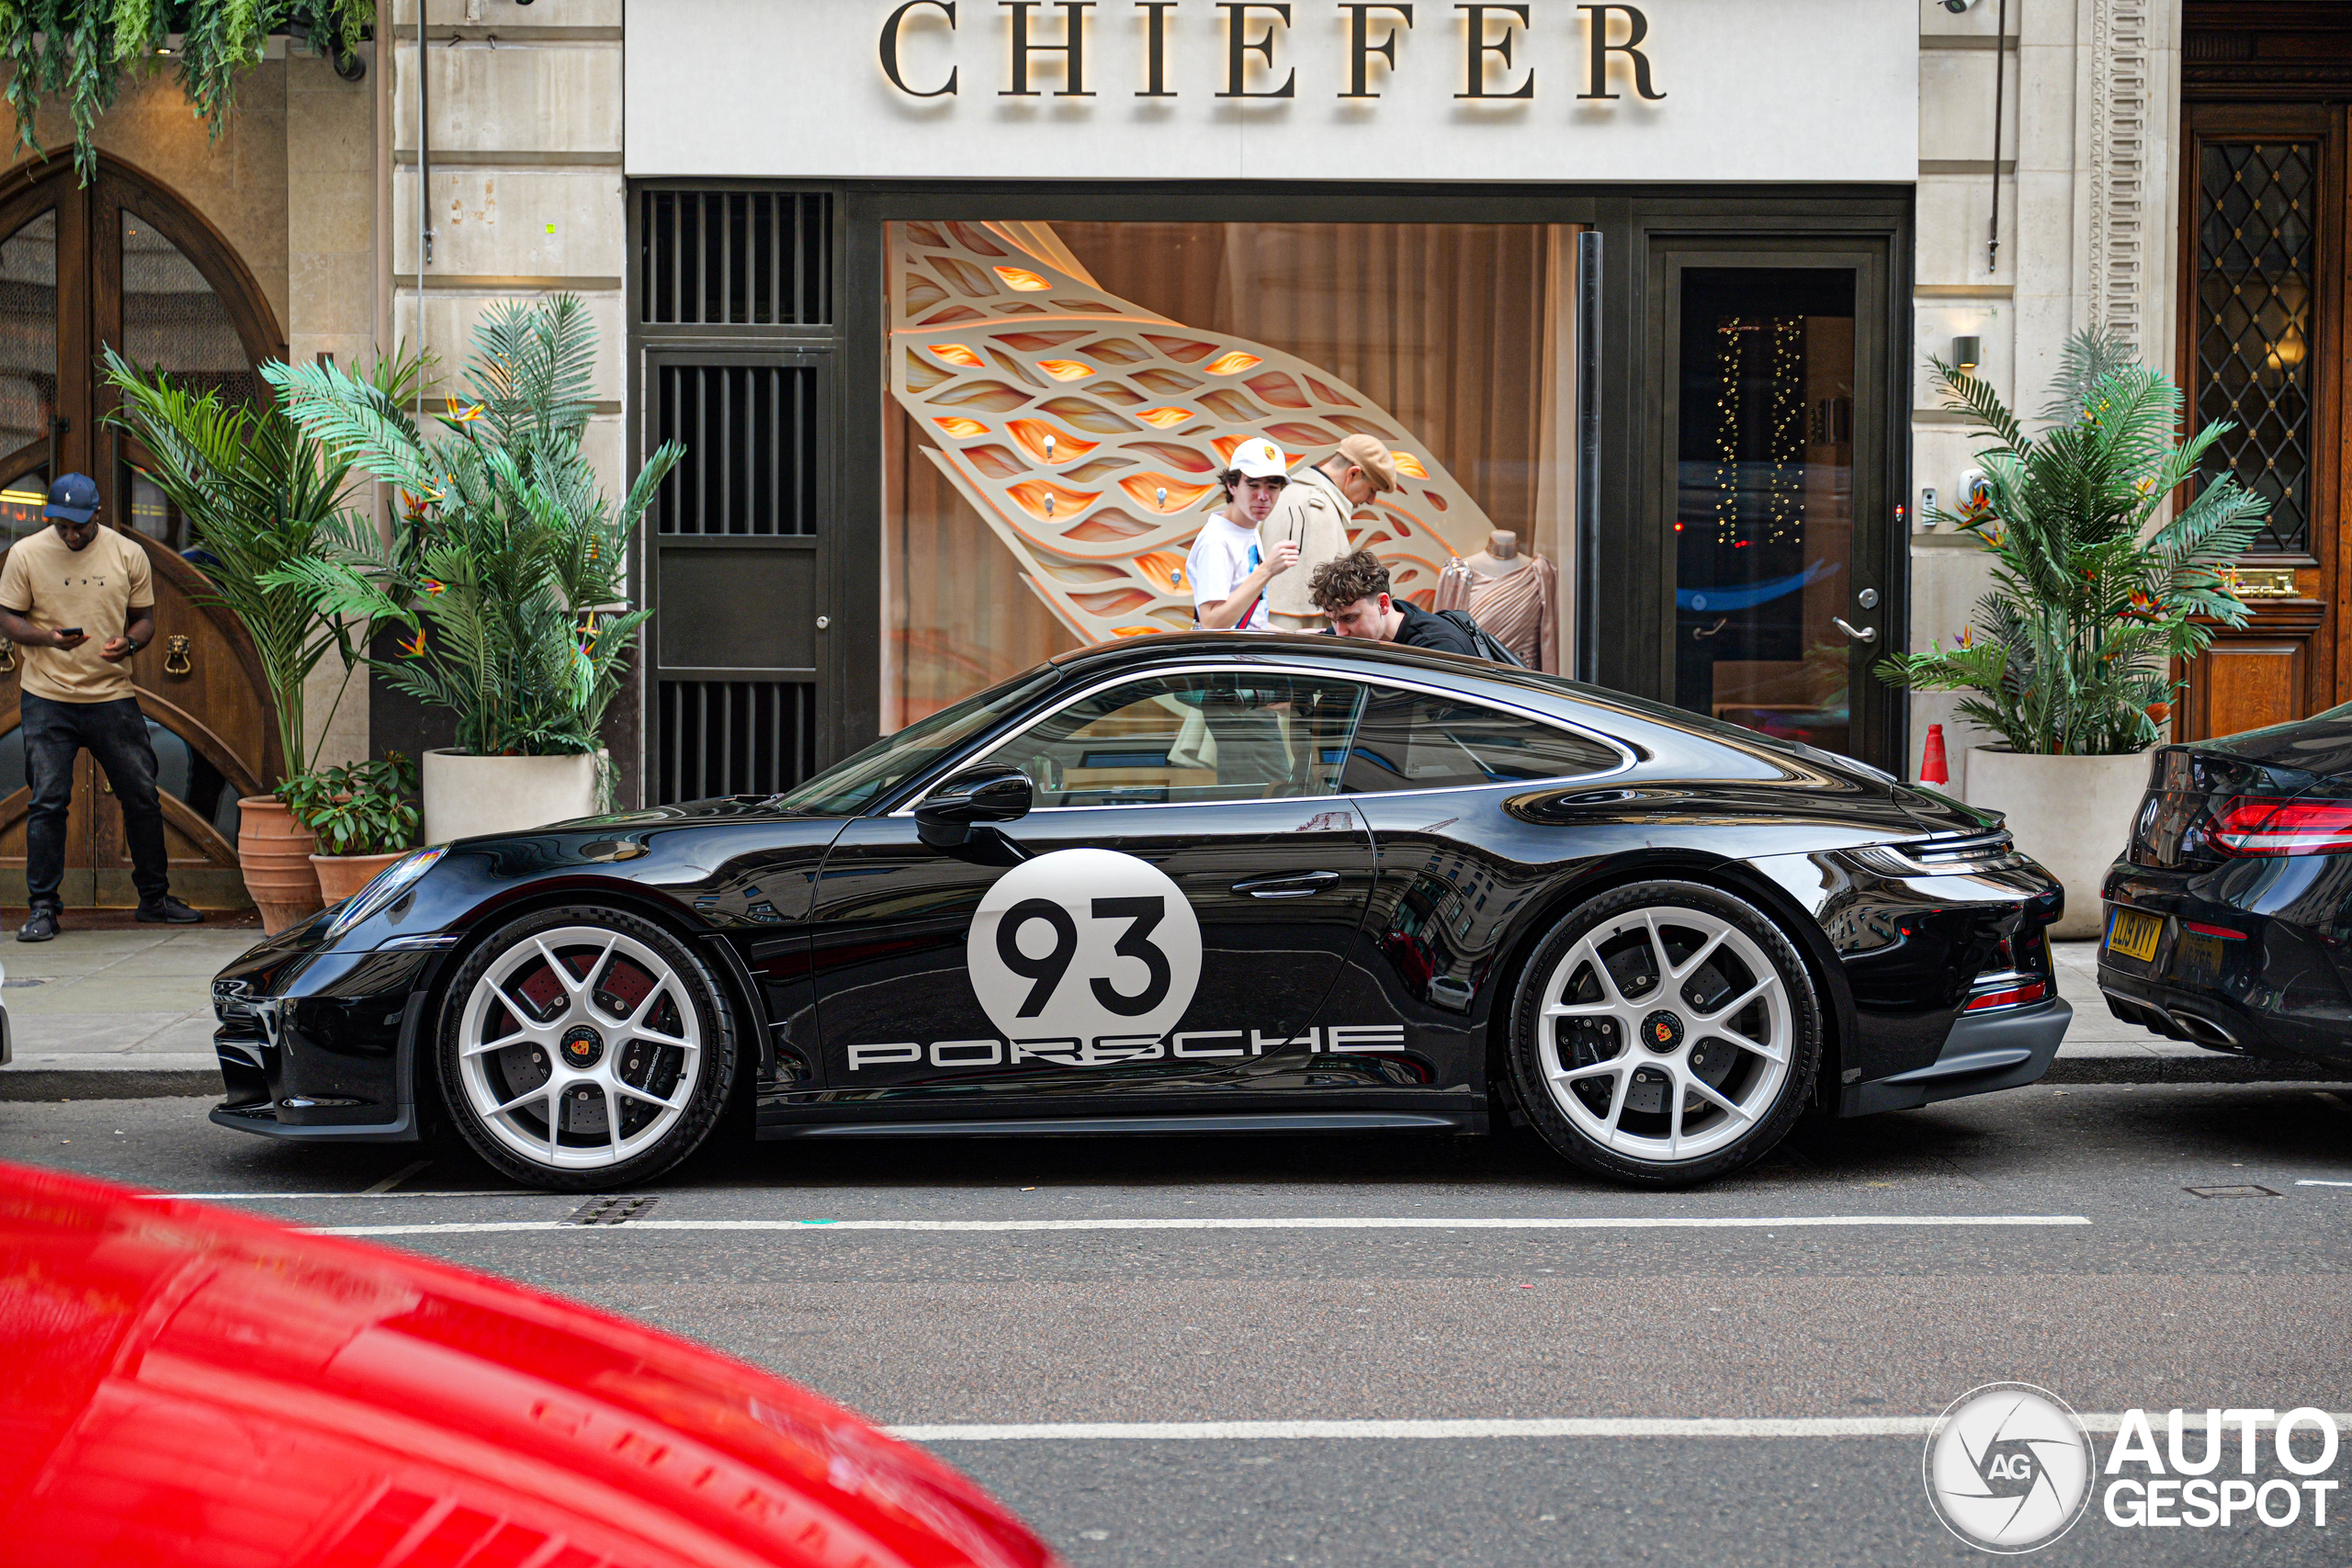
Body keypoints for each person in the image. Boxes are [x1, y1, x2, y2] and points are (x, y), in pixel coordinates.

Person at [0, 474, 201, 940]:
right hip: (48, 699)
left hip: (112, 697)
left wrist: (129, 645)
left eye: (79, 526)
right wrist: (47, 638)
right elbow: (8, 617)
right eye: (61, 526)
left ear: (97, 514)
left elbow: (146, 620)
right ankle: (43, 908)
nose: (71, 535)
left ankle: (153, 899)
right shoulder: (27, 554)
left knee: (142, 796)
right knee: (48, 801)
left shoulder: (127, 554)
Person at [1258, 434, 1398, 631]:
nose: (1371, 500)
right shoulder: (1318, 508)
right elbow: (1319, 608)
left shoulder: (1286, 493)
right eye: (1372, 490)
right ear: (1353, 474)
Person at [1184, 437, 1298, 631]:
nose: (1263, 496)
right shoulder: (1216, 541)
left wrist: (1297, 637)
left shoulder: (1247, 530)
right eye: (1253, 485)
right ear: (1232, 485)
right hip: (1226, 660)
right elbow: (1211, 623)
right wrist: (1267, 570)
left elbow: (1251, 621)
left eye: (1272, 487)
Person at [1309, 547, 1483, 656]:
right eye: (1333, 620)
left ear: (1383, 604)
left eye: (1350, 619)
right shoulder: (1356, 630)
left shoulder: (1437, 647)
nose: (1340, 633)